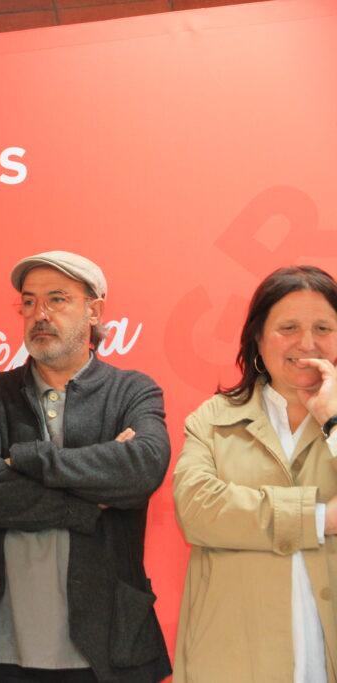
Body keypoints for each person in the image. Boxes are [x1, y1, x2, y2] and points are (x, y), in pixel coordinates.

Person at [0, 251, 172, 683]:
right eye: (29, 302)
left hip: (108, 641)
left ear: (94, 310)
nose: (39, 315)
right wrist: (88, 505)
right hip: (3, 642)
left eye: (57, 299)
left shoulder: (132, 391)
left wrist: (27, 459)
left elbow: (143, 468)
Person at [173, 265, 337, 682]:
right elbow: (196, 509)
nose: (307, 342)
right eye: (288, 328)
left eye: (323, 327)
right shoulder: (213, 419)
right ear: (257, 339)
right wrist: (320, 518)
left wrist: (333, 421)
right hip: (235, 661)